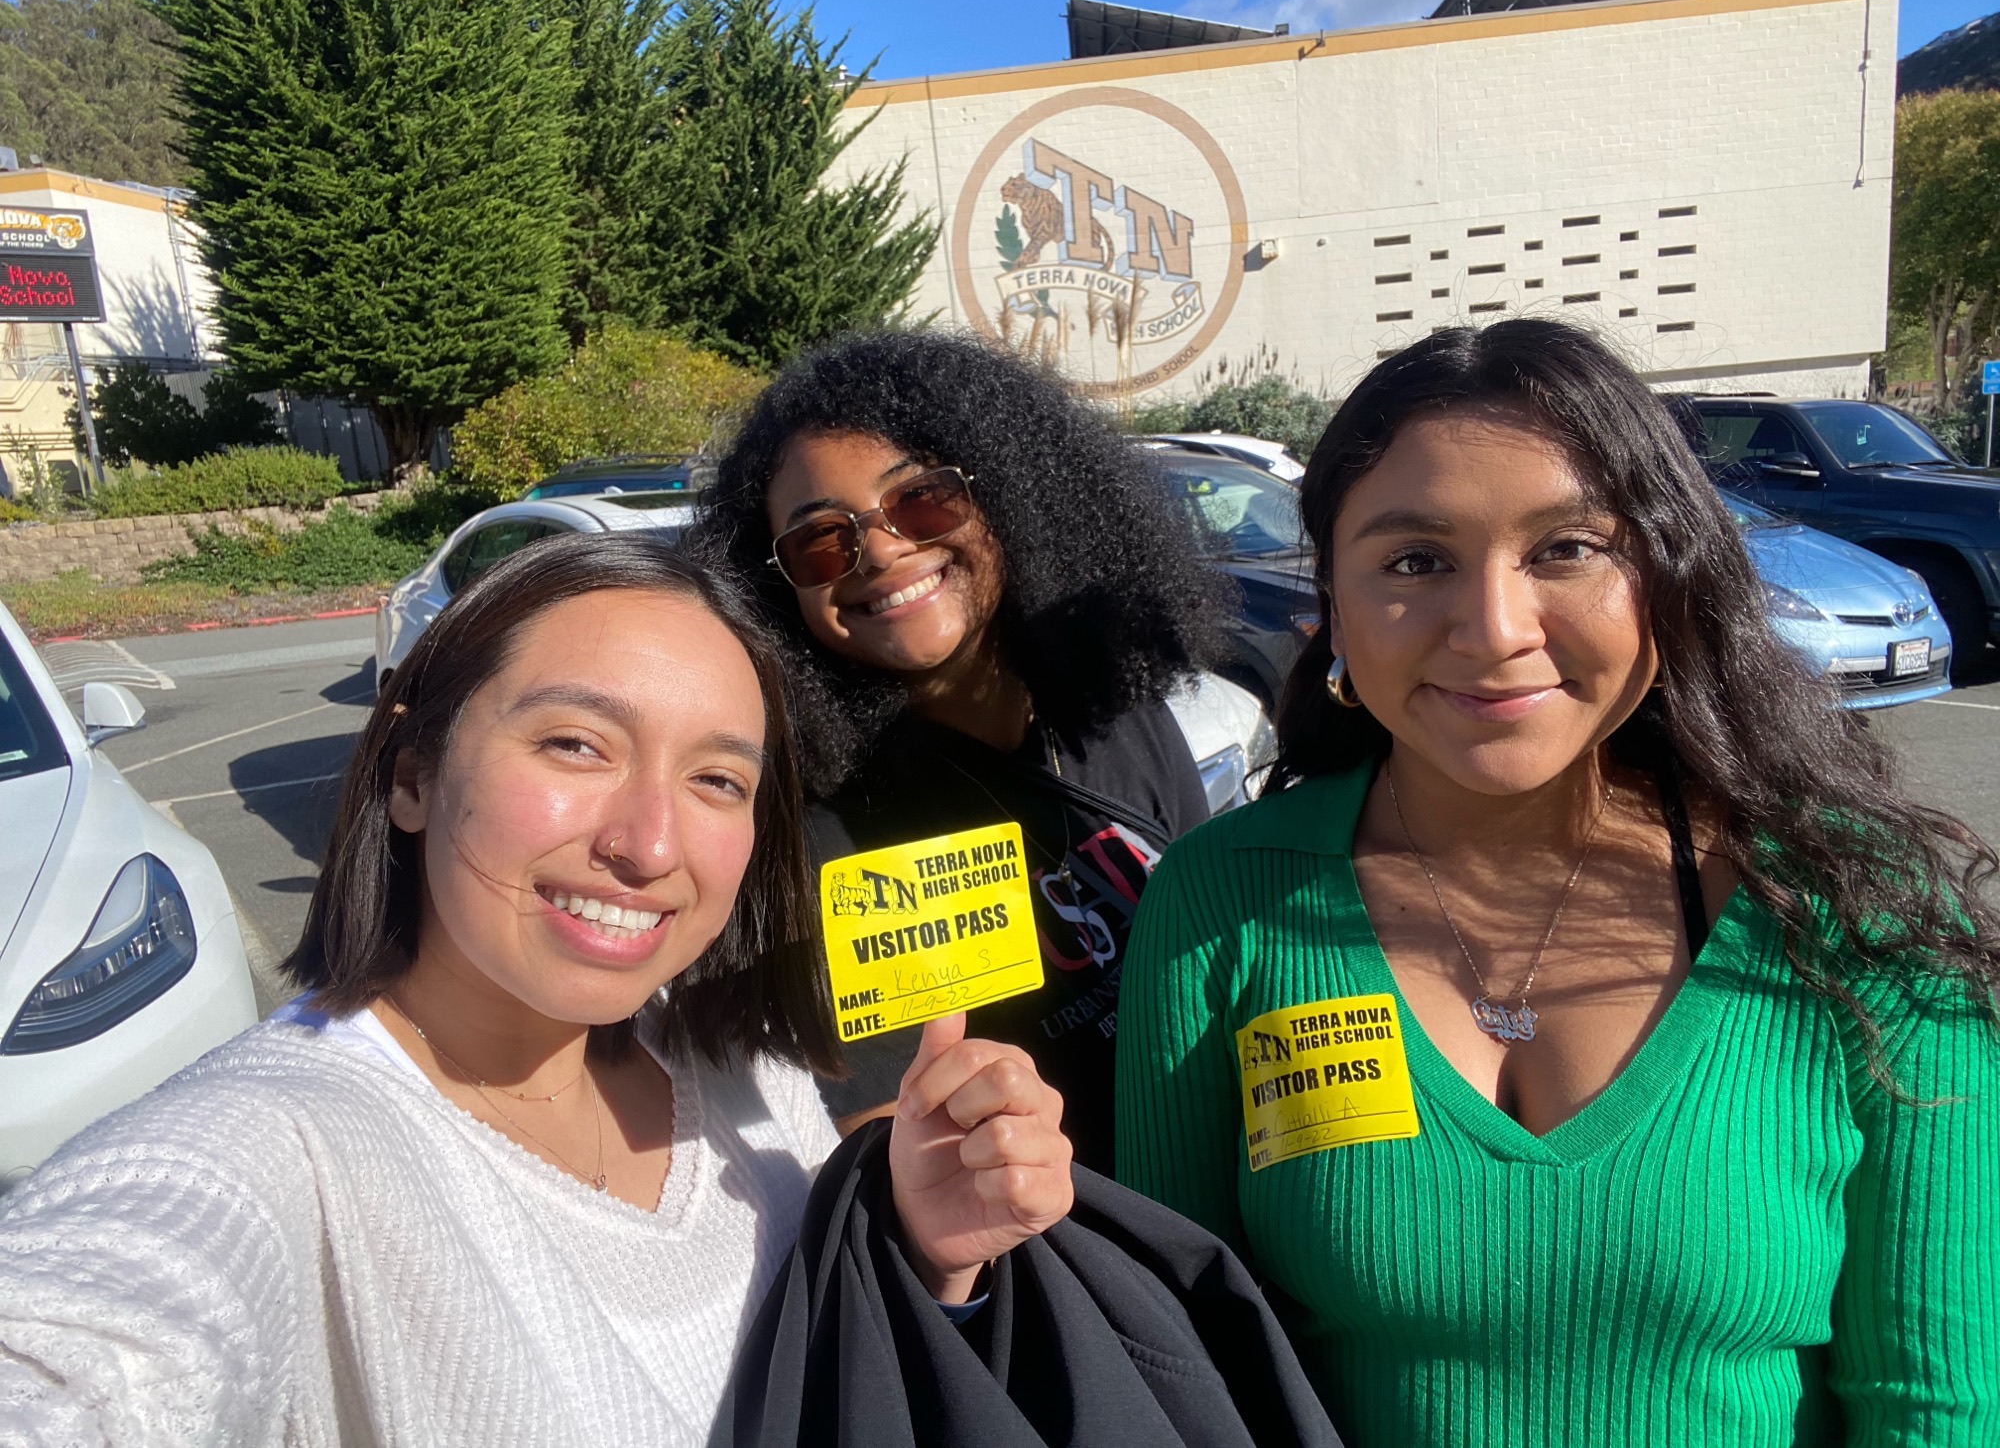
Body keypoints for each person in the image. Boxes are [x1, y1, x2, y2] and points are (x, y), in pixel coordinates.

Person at [1116, 318, 2000, 1446]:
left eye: (1565, 549)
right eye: (1413, 561)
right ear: (1332, 609)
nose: (1492, 629)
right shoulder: (1217, 907)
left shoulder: (1856, 909)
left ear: (1669, 578)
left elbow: (1935, 1409)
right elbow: (1182, 1368)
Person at [0, 535, 1073, 1445]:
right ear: (413, 773)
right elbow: (90, 1337)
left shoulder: (748, 1073)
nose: (649, 844)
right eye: (574, 744)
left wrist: (923, 1255)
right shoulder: (270, 1150)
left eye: (717, 780)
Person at [693, 329, 1233, 1174]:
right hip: (1072, 1260)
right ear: (779, 586)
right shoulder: (820, 833)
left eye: (923, 500)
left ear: (1010, 492)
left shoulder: (1118, 712)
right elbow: (892, 1144)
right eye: (821, 542)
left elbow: (1224, 957)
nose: (879, 550)